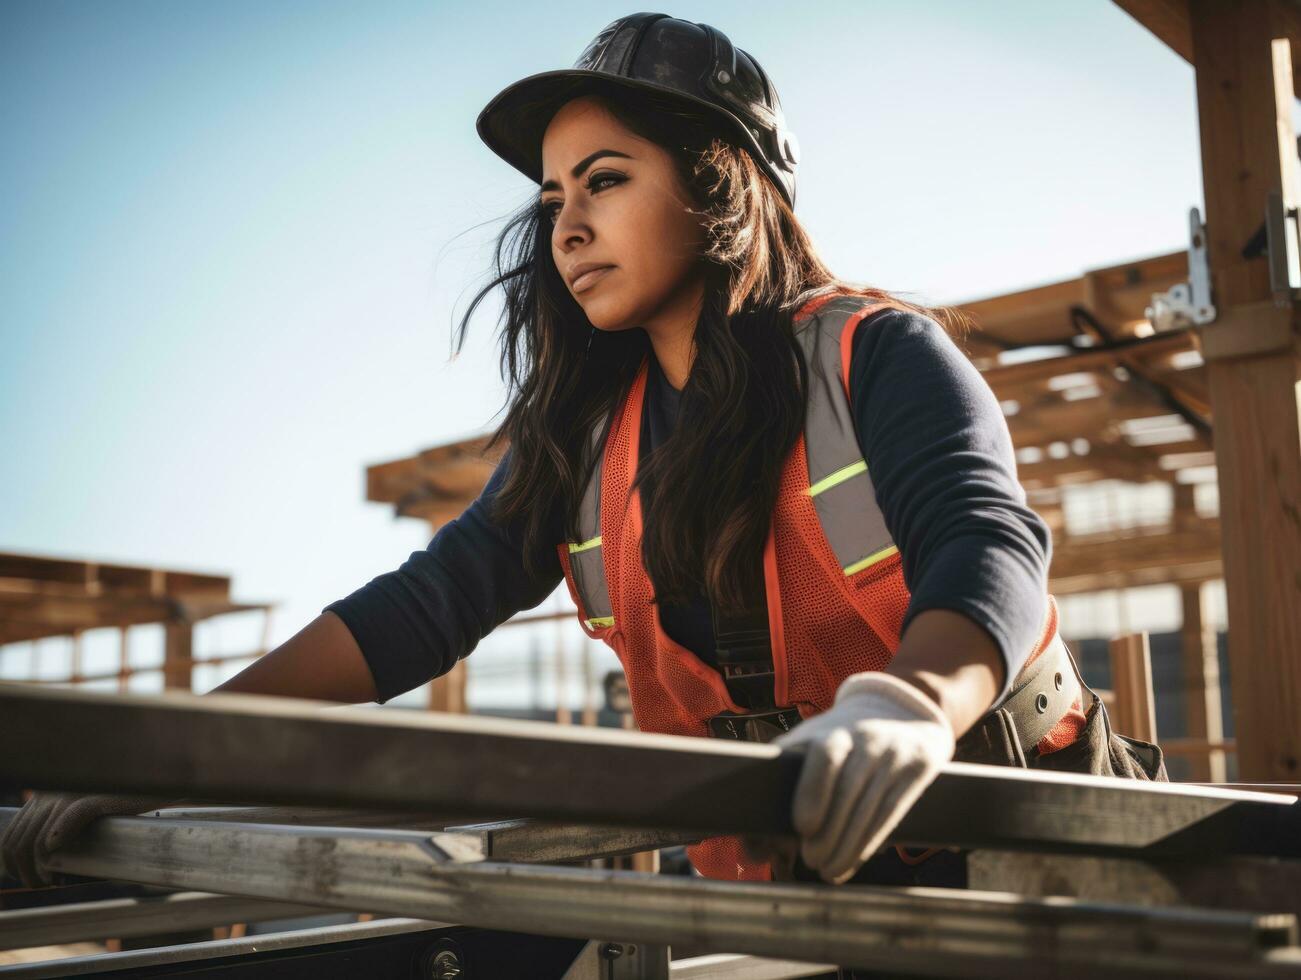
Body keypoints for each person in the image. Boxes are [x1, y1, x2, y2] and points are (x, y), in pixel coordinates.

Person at [2, 12, 1165, 898]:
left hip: (1037, 870)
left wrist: (910, 700)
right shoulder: (583, 439)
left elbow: (986, 541)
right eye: (553, 193)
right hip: (795, 899)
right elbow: (424, 605)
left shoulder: (875, 354)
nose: (564, 223)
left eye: (605, 181)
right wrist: (186, 748)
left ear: (722, 183)